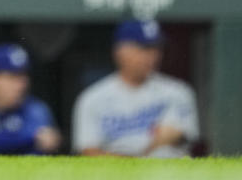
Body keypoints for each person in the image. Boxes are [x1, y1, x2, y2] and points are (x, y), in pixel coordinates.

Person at [72, 20, 199, 157]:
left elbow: (187, 137)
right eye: (143, 48)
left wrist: (174, 137)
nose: (152, 56)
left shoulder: (178, 91)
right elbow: (89, 152)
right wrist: (139, 161)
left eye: (156, 48)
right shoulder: (93, 98)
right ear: (120, 51)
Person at [0, 44, 61, 156]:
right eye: (12, 77)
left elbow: (46, 140)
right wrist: (28, 139)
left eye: (23, 77)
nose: (22, 85)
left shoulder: (35, 109)